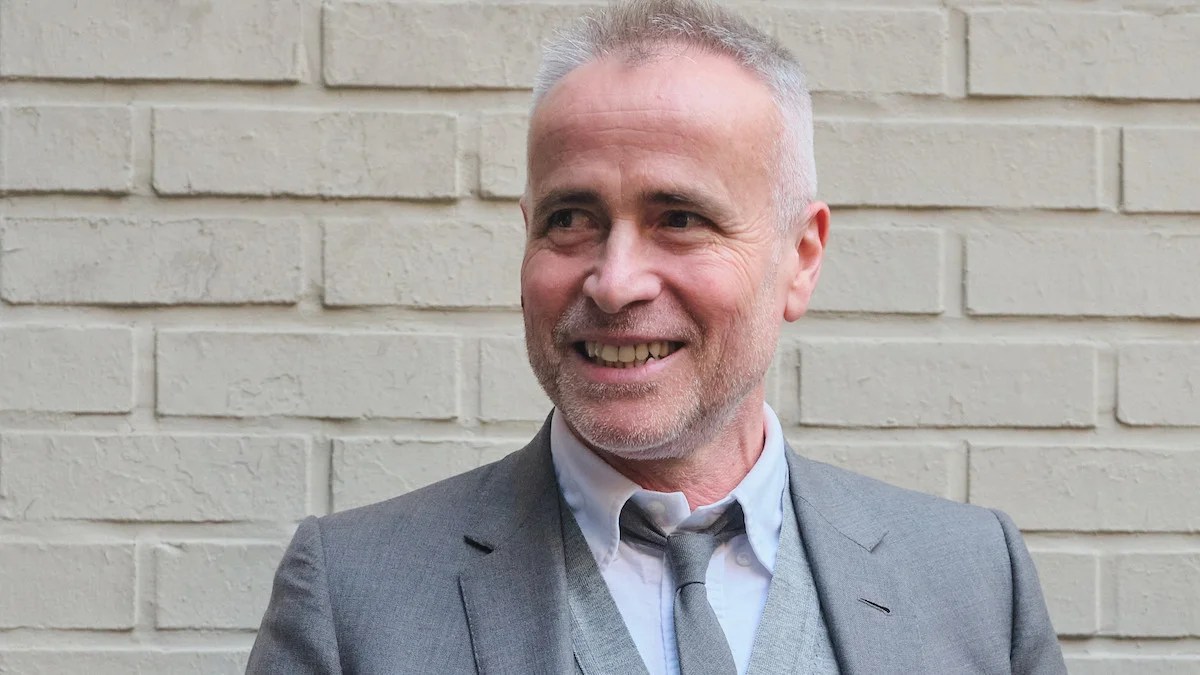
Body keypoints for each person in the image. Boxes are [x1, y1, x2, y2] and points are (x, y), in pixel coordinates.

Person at [247, 0, 1067, 672]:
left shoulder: (973, 579)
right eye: (572, 220)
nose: (615, 280)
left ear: (801, 258)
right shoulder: (353, 598)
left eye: (680, 218)